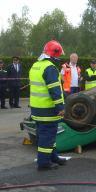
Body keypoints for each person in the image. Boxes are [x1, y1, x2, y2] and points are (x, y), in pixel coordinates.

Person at [29, 40, 66, 171]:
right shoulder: (50, 68)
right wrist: (61, 107)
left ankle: (53, 156)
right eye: (58, 56)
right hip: (47, 109)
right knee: (47, 135)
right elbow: (54, 90)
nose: (59, 59)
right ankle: (44, 163)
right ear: (53, 55)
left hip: (37, 108)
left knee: (47, 134)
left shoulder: (36, 65)